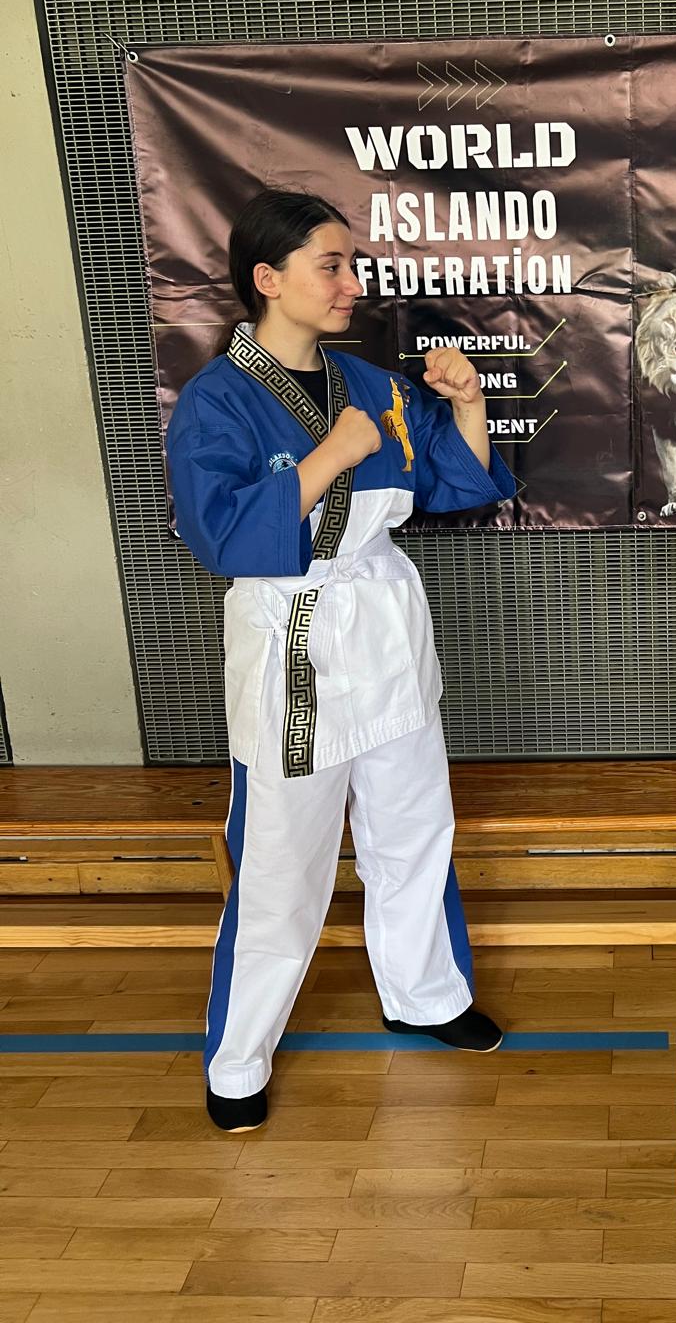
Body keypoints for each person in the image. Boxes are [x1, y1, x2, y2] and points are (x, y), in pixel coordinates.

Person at [166, 188, 517, 1133]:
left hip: (385, 631)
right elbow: (222, 537)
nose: (352, 283)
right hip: (294, 642)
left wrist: (469, 404)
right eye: (331, 266)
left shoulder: (373, 384)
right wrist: (330, 455)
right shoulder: (216, 401)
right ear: (267, 278)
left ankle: (426, 994)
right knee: (281, 865)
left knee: (413, 829)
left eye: (352, 265)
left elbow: (449, 483)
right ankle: (239, 1058)